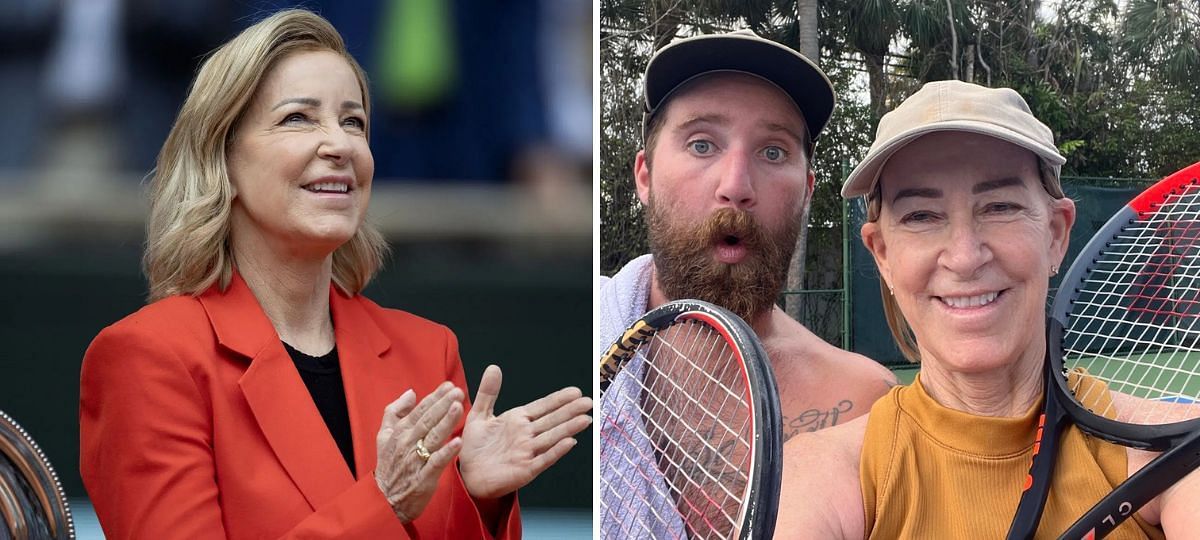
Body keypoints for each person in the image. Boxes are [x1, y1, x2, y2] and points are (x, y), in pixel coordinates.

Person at [78, 9, 592, 539]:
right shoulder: (150, 358)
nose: (341, 145)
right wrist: (383, 503)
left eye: (354, 122)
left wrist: (475, 499)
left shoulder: (427, 352)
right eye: (298, 118)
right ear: (222, 159)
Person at [775, 80, 1200, 538]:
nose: (964, 256)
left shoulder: (1169, 447)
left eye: (1000, 206)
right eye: (921, 216)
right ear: (882, 255)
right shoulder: (827, 473)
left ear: (1055, 235)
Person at [597, 29, 896, 538]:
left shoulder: (869, 404)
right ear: (644, 177)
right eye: (701, 144)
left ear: (806, 192)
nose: (735, 186)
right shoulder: (589, 328)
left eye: (773, 152)